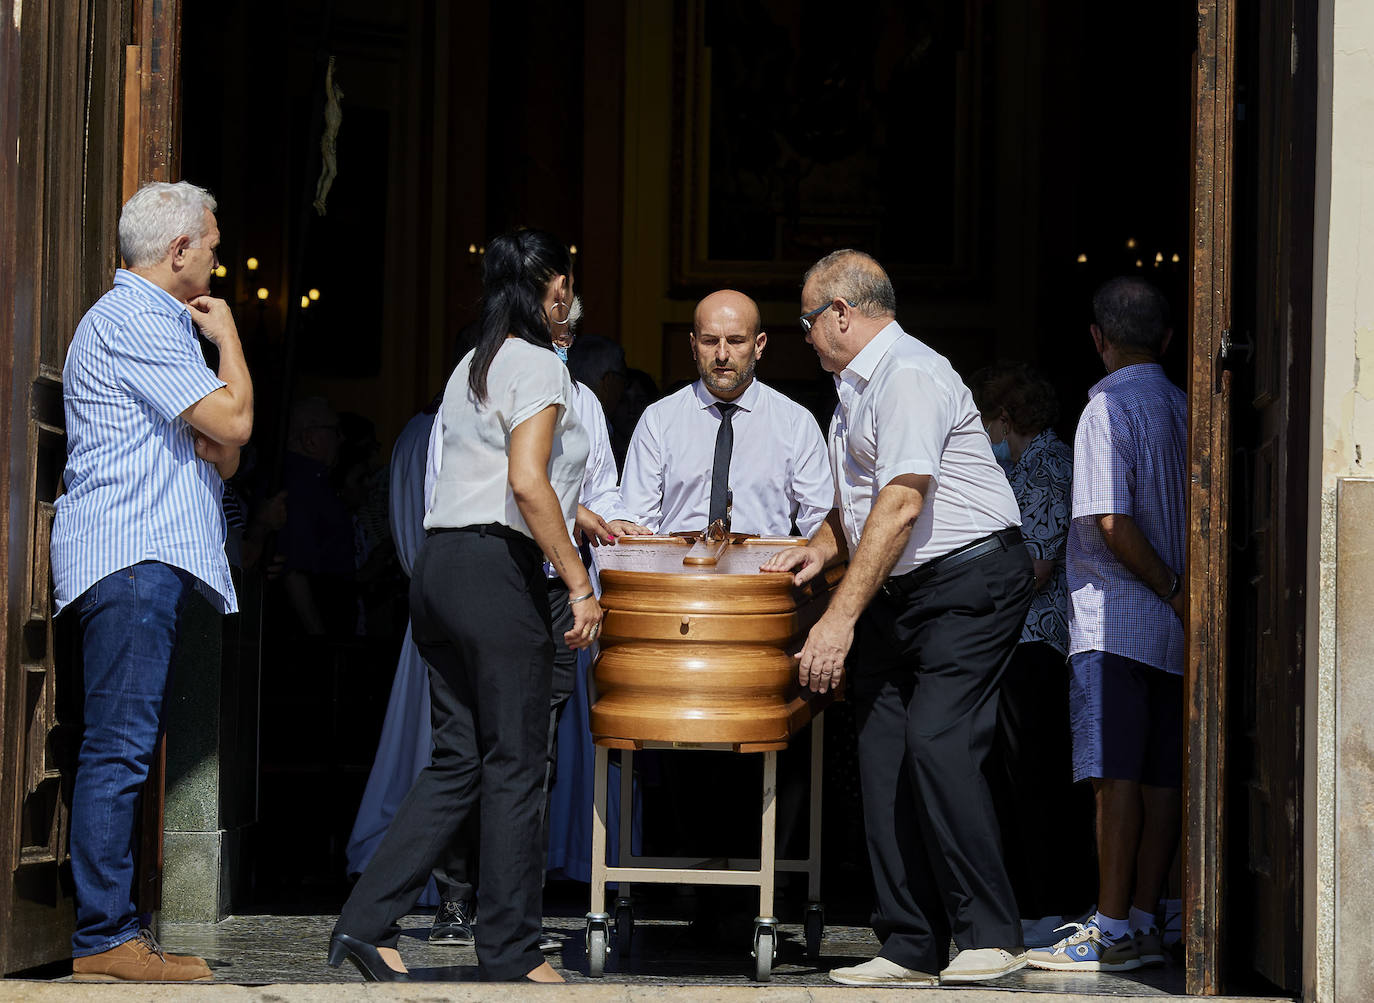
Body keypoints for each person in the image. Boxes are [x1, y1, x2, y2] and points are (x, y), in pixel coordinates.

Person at [328, 229, 598, 984]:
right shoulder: (540, 364)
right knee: (516, 761)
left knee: (458, 761)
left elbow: (495, 476)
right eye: (566, 286)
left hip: (441, 569)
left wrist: (574, 520)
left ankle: (363, 920)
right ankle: (511, 947)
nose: (571, 298)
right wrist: (579, 582)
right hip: (493, 571)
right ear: (551, 289)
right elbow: (526, 482)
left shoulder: (471, 365)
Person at [762, 250, 1034, 987]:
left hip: (970, 578)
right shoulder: (856, 386)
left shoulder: (908, 373)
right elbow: (860, 507)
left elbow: (903, 501)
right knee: (880, 746)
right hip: (904, 588)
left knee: (938, 738)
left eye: (809, 320)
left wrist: (836, 620)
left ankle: (989, 931)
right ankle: (910, 941)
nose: (807, 336)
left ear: (842, 314)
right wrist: (818, 550)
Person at [51, 181, 253, 982]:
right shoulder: (137, 318)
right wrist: (231, 337)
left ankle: (114, 929)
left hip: (146, 557)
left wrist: (220, 421)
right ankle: (105, 933)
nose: (216, 260)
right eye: (209, 246)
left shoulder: (154, 323)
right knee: (121, 748)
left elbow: (223, 450)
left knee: (127, 746)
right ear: (178, 251)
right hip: (131, 556)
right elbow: (234, 423)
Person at [1026, 277, 1186, 973]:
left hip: (1115, 620)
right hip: (1170, 631)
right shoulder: (1183, 405)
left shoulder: (1106, 407)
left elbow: (1109, 521)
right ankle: (1145, 918)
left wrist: (1169, 586)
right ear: (1169, 339)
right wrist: (1180, 595)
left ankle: (1114, 927)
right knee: (1157, 779)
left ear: (1099, 338)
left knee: (1113, 779)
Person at [968, 361, 1096, 943]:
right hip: (1021, 642)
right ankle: (1035, 901)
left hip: (1034, 643)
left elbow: (1038, 564)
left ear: (1006, 416)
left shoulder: (1046, 466)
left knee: (1035, 777)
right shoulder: (1029, 463)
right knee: (1020, 777)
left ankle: (1049, 905)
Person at [616, 288, 832, 538]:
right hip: (676, 572)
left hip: (763, 573)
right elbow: (636, 523)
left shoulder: (795, 423)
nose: (721, 355)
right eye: (709, 341)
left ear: (759, 345)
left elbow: (820, 521)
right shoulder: (659, 420)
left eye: (736, 341)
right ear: (693, 346)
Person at [277, 396, 355, 635]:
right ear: (309, 439)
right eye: (334, 430)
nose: (341, 438)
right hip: (312, 636)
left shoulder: (313, 483)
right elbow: (295, 570)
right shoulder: (301, 486)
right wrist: (319, 640)